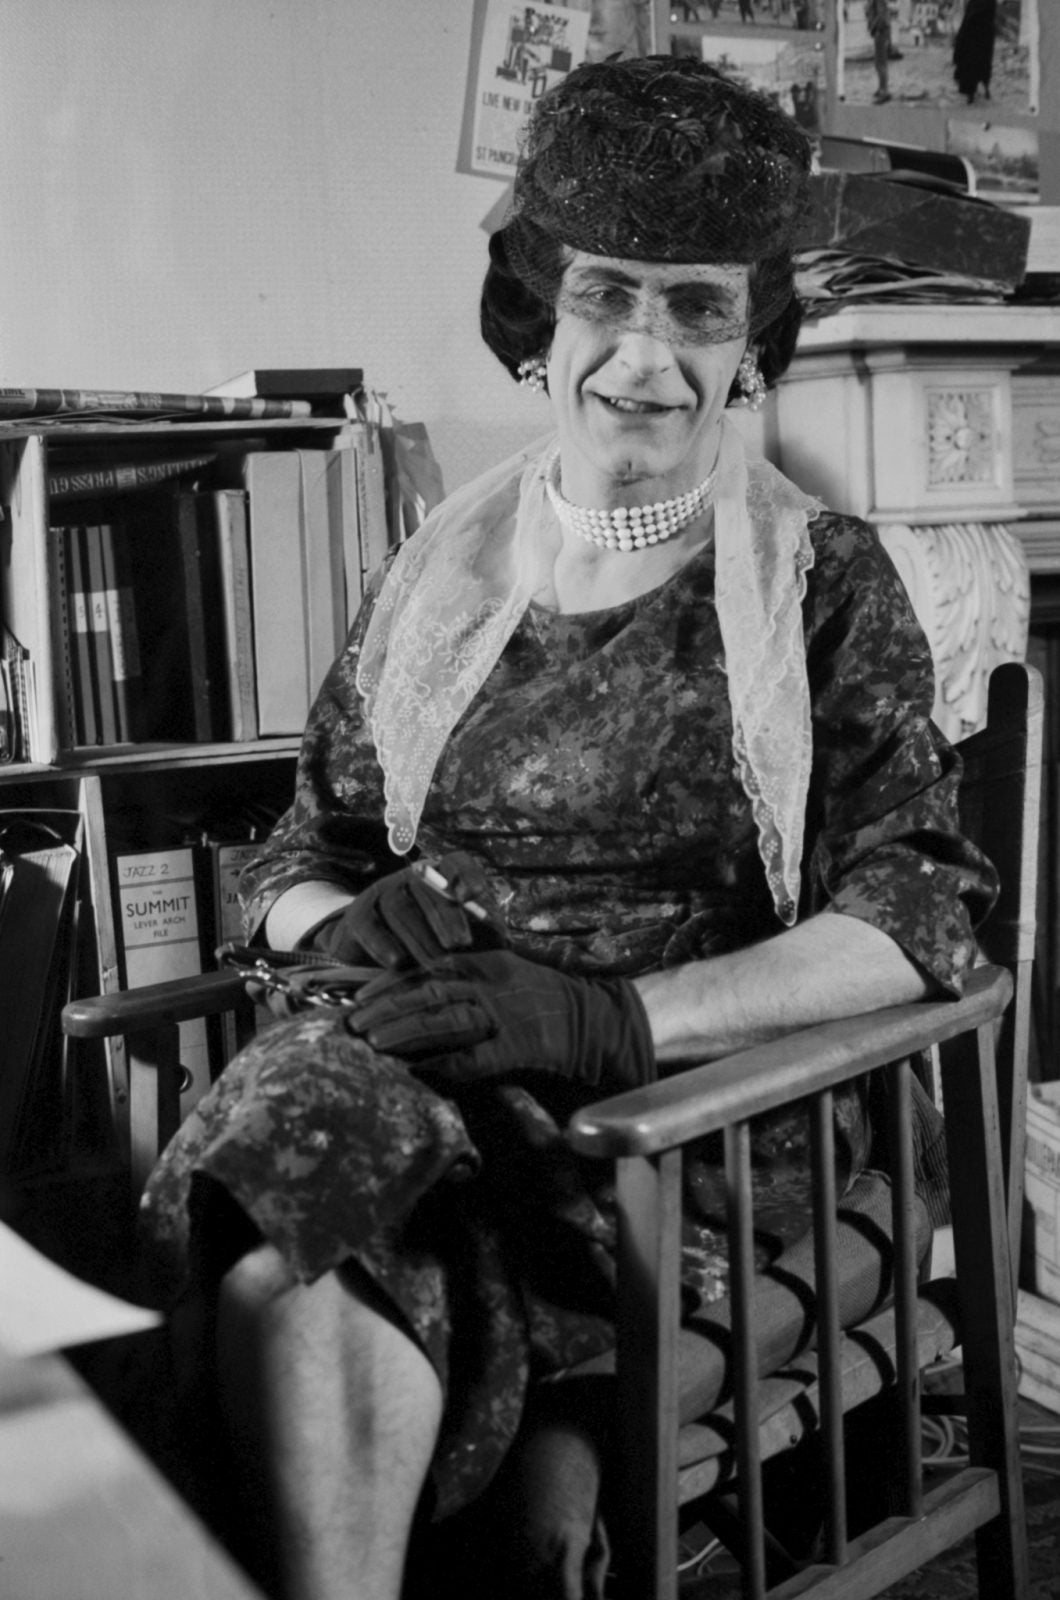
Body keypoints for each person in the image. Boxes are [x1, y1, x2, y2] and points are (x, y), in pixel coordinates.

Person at [139, 55, 996, 1600]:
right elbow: (299, 837)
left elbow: (920, 920)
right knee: (309, 1211)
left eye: (701, 308)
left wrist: (612, 1022)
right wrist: (323, 923)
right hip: (432, 1082)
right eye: (610, 293)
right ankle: (521, 1475)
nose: (648, 358)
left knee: (296, 1234)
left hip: (687, 1123)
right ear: (543, 317)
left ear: (754, 348)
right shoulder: (442, 573)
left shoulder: (828, 584)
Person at [953, 0, 996, 104]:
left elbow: (971, 17)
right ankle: (984, 89)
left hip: (974, 36)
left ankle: (972, 93)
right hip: (983, 36)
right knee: (983, 64)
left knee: (972, 66)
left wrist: (961, 36)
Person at [865, 0, 893, 101]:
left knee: (881, 63)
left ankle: (884, 91)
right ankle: (881, 88)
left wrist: (873, 27)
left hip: (880, 31)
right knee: (879, 63)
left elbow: (881, 16)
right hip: (880, 31)